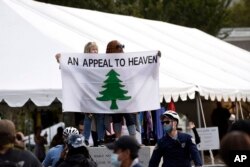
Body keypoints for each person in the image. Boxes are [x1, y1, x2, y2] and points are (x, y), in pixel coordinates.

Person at [106, 40, 137, 140]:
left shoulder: (127, 60)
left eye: (121, 47)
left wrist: (155, 57)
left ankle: (133, 138)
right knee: (116, 118)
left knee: (129, 117)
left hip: (124, 93)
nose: (121, 49)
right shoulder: (104, 61)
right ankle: (118, 138)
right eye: (118, 47)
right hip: (113, 94)